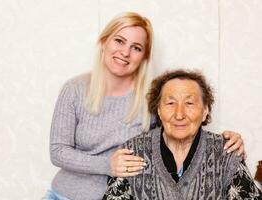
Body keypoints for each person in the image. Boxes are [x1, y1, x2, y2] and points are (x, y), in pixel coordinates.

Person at [44, 12, 245, 200]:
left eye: (136, 48)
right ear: (104, 42)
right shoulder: (74, 89)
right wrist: (107, 165)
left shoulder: (154, 97)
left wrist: (227, 144)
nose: (125, 52)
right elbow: (58, 151)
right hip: (64, 195)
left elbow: (179, 133)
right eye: (119, 41)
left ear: (144, 57)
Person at [103, 69, 262, 199]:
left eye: (189, 103)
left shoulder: (226, 151)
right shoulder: (133, 151)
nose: (179, 114)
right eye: (171, 103)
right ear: (159, 110)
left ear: (205, 110)